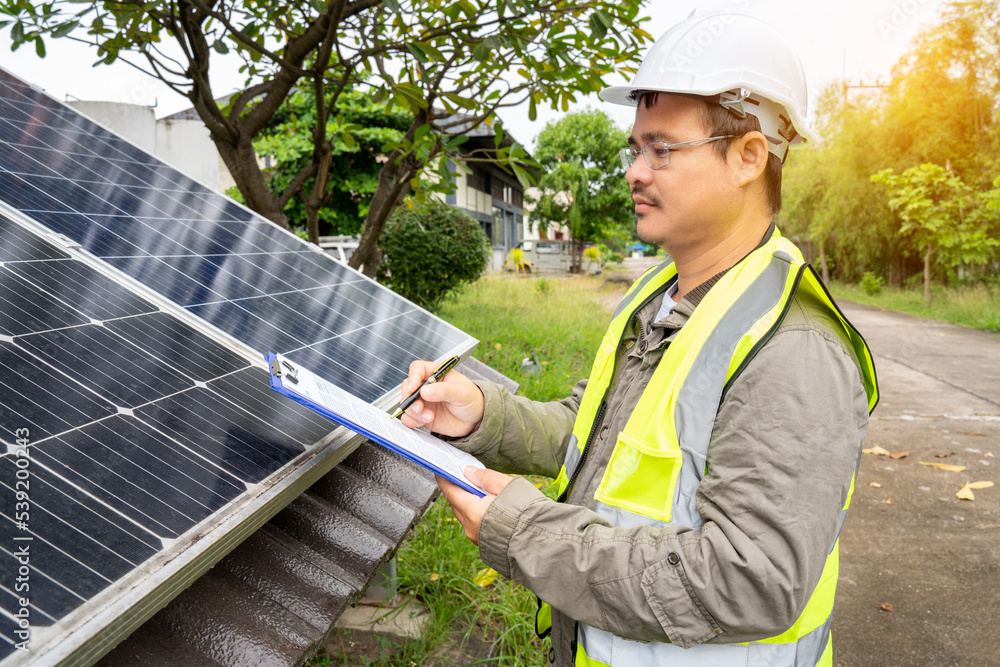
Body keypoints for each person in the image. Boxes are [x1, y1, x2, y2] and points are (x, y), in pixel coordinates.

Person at [399, 11, 878, 667]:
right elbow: (595, 433)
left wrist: (526, 529)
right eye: (636, 149)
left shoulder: (794, 348)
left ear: (747, 156)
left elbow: (750, 579)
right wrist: (484, 413)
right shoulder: (660, 297)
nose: (634, 172)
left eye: (662, 149)